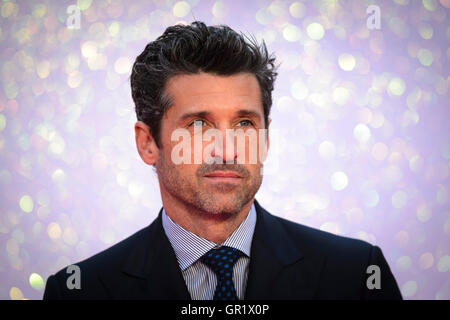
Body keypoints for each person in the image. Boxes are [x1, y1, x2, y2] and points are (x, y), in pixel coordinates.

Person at [43, 21, 402, 300]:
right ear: (148, 142)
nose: (228, 149)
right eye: (199, 125)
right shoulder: (80, 291)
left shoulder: (355, 276)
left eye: (245, 123)